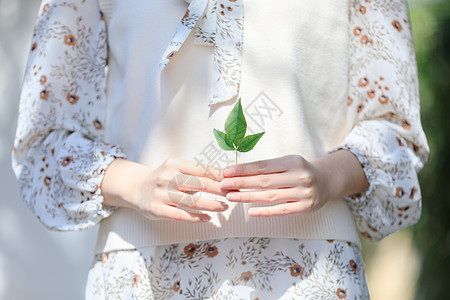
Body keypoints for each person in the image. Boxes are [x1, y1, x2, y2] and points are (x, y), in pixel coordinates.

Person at [12, 0, 429, 298]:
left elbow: (396, 132)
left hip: (312, 274)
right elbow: (43, 144)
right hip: (143, 275)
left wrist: (327, 176)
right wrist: (138, 184)